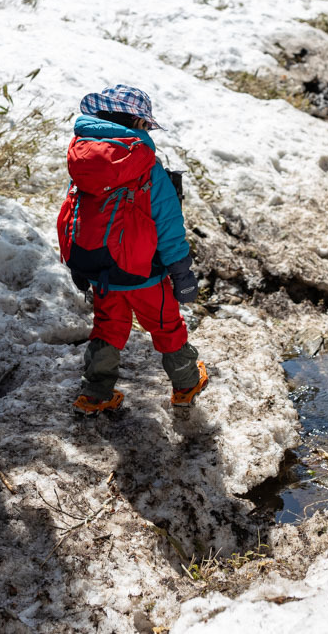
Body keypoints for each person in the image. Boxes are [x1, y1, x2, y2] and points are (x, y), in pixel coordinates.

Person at [57, 84, 207, 413]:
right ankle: (185, 384)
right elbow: (167, 224)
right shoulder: (146, 166)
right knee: (166, 324)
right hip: (144, 273)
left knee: (108, 326)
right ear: (138, 124)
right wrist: (181, 272)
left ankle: (94, 394)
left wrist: (79, 264)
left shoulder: (83, 160)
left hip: (101, 267)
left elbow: (77, 214)